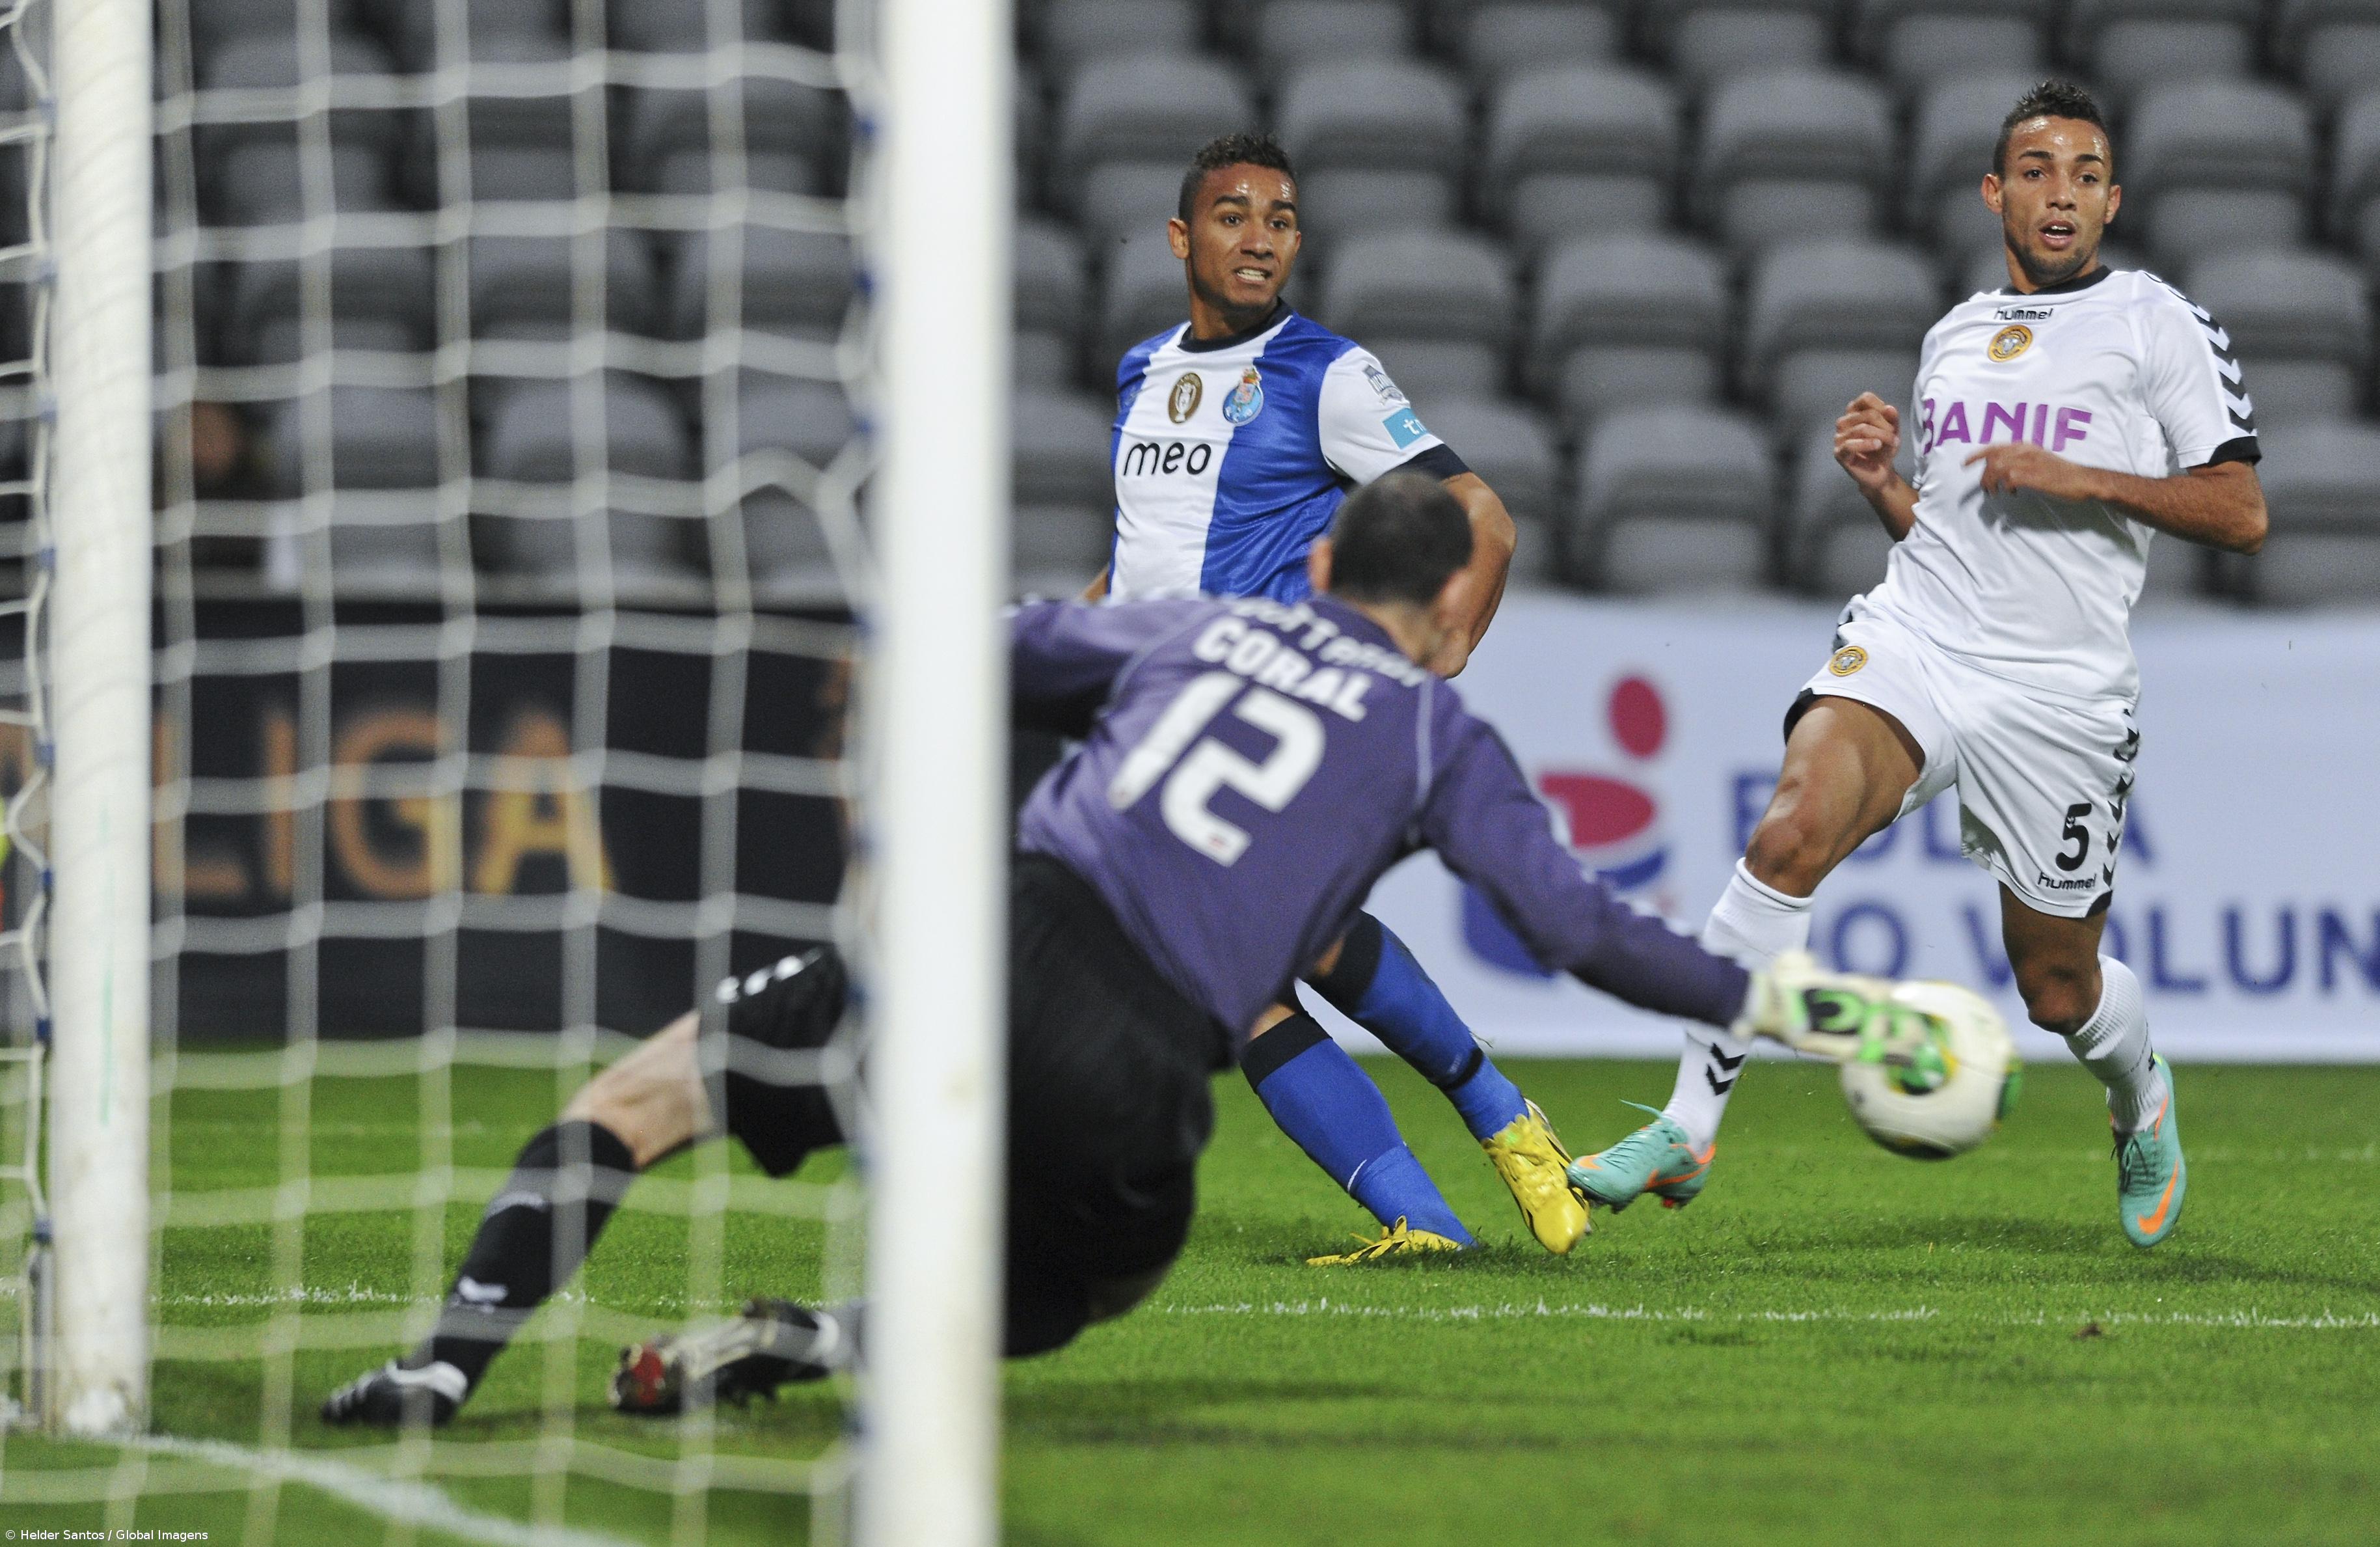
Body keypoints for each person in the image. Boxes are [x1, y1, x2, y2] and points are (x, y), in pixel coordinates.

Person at [324, 474, 1923, 1427]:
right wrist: (1805, 1005)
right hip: (1144, 1059)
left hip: (971, 941)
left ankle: (444, 1372)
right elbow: (1576, 928)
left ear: (1311, 569)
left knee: (638, 1102)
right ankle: (820, 1346)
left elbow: (965, 657)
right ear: (1449, 606)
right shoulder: (1439, 735)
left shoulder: (1195, 628)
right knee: (1066, 1285)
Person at [1569, 81, 2266, 1250]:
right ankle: (1688, 1126)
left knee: (2056, 987)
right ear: (1996, 192)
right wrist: (1887, 489)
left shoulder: (2159, 323)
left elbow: (2240, 511)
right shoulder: (1953, 335)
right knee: (1787, 828)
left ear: (2112, 201)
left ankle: (2137, 1094)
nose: (2062, 194)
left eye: (2086, 175)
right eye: (2037, 171)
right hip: (1921, 640)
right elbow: (1954, 536)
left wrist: (2085, 477)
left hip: (2059, 693)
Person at [1086, 130, 1565, 1264]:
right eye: (1234, 214)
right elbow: (1137, 560)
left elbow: (1481, 513)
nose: (1260, 238)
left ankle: (1481, 1140)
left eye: (1282, 218)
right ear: (1180, 238)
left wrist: (1447, 646)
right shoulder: (1140, 374)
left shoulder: (1324, 372)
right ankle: (1453, 1183)